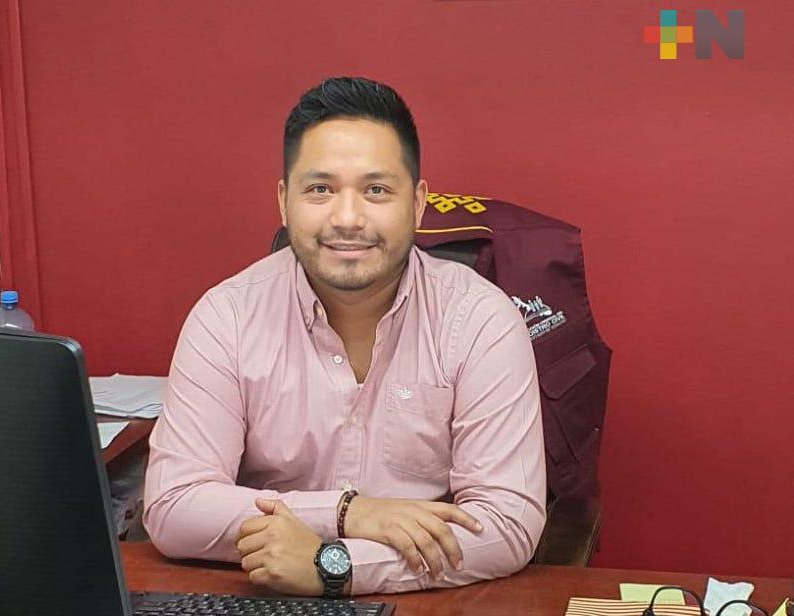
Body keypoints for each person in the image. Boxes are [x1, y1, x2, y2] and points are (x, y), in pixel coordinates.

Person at [143, 76, 546, 597]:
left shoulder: (480, 321)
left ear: (417, 203)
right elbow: (174, 505)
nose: (348, 218)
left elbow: (506, 523)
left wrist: (335, 566)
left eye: (376, 190)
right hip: (264, 597)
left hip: (423, 601)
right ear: (284, 202)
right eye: (320, 189)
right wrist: (346, 513)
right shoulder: (227, 318)